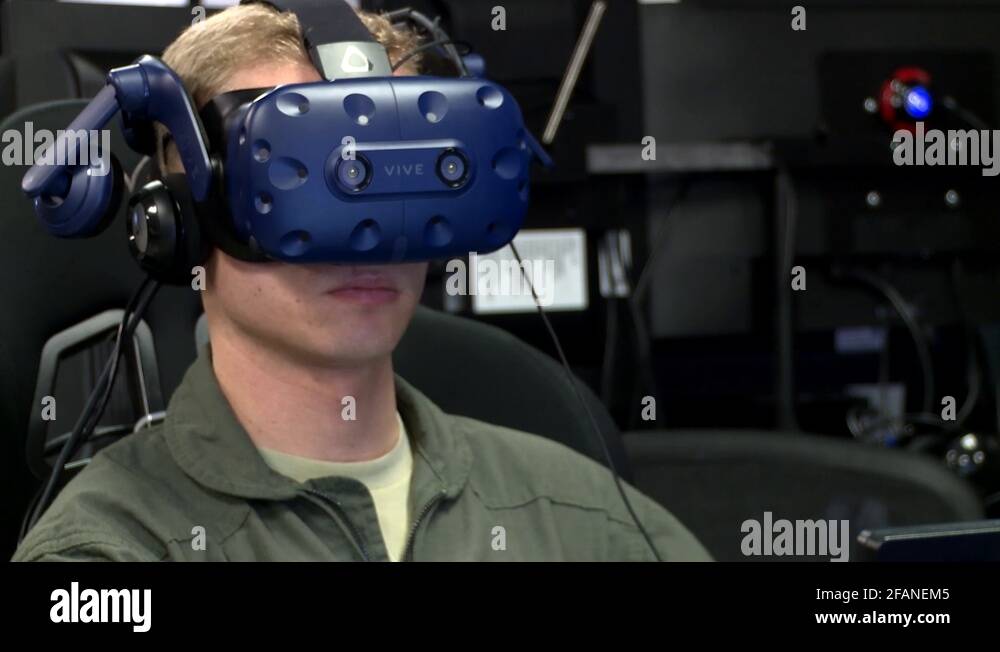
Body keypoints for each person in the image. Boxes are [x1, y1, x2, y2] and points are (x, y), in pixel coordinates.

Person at [13, 3, 710, 562]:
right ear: (176, 219)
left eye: (391, 175)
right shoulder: (106, 559)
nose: (366, 238)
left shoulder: (582, 517)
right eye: (306, 179)